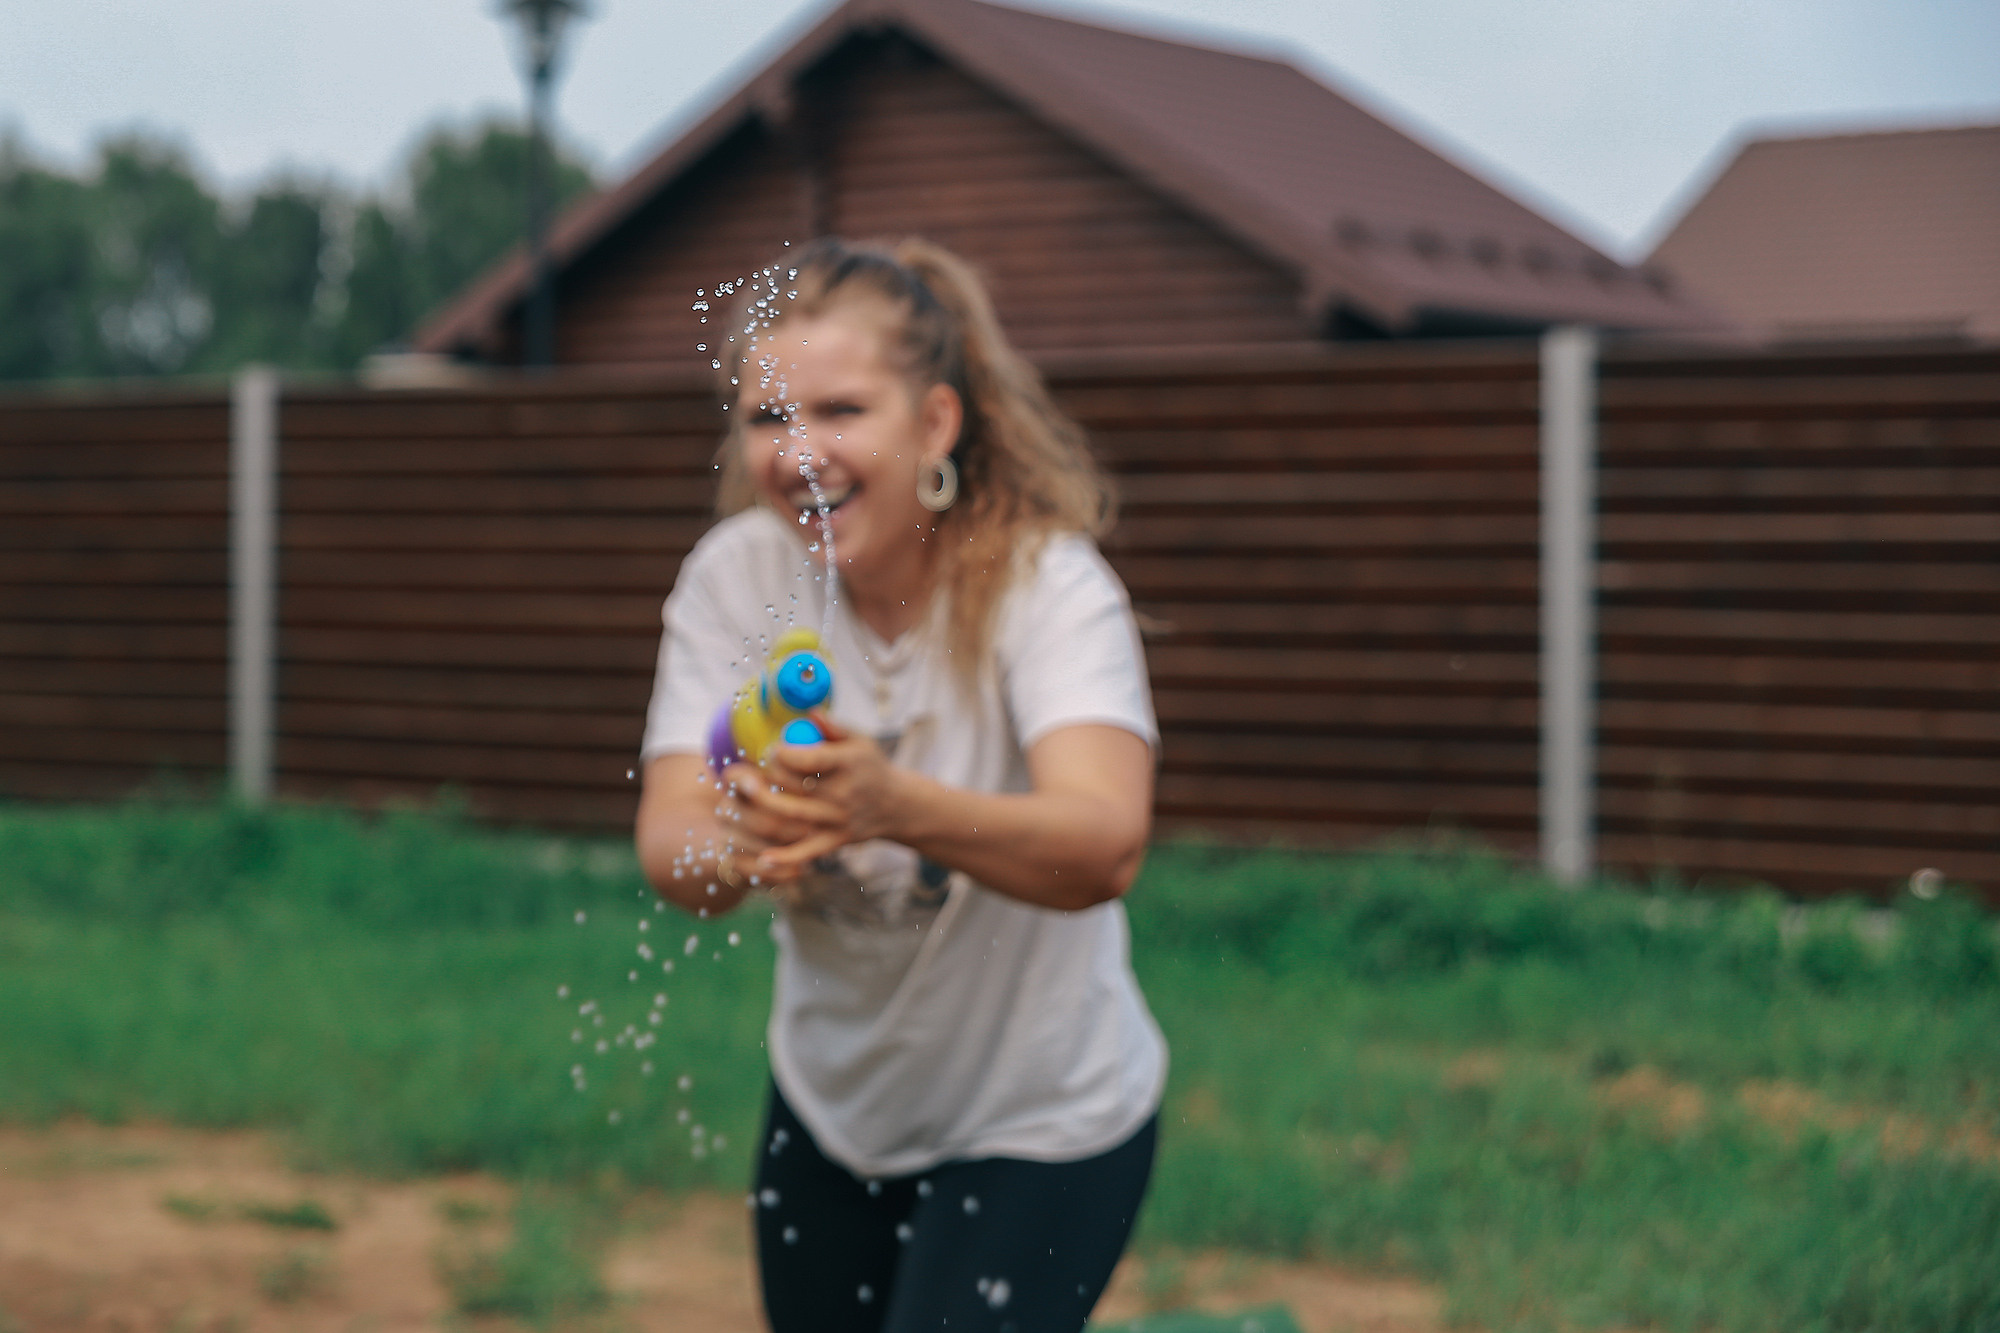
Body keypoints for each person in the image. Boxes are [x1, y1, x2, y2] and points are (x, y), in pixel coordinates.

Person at [634, 237, 1165, 1333]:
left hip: (1041, 1122)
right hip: (831, 1112)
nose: (796, 452)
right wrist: (750, 841)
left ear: (933, 423)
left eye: (838, 411)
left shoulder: (1044, 585)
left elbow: (1104, 841)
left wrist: (889, 803)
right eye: (767, 418)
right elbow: (670, 844)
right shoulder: (734, 578)